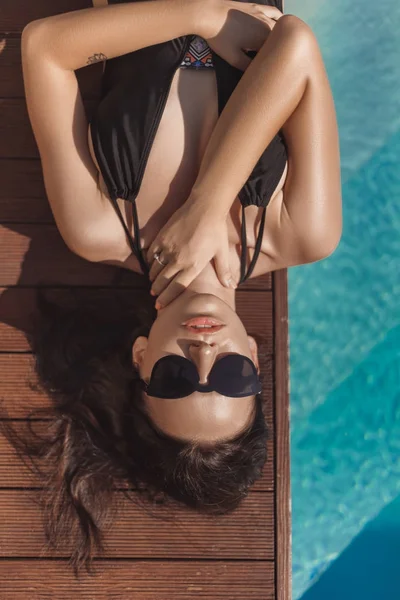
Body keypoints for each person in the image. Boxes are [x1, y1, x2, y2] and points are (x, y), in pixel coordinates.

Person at [2, 0, 341, 575]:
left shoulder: (101, 228)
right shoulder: (302, 233)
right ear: (254, 359)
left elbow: (43, 49)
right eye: (231, 377)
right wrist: (207, 206)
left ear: (141, 358)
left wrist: (205, 18)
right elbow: (297, 43)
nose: (204, 353)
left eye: (176, 378)